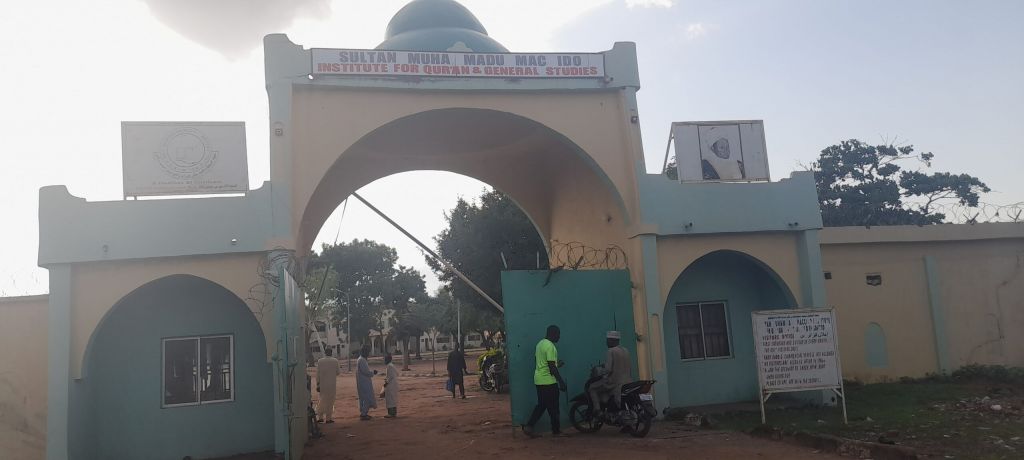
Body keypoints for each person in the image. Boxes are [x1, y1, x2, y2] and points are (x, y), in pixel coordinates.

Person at [523, 325, 568, 438]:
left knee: (542, 405)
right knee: (554, 407)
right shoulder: (550, 346)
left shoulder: (540, 344)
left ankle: (529, 427)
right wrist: (561, 382)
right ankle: (556, 431)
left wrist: (557, 365)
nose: (559, 337)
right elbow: (551, 367)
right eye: (558, 334)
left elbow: (543, 363)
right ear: (552, 334)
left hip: (539, 380)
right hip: (549, 381)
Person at [589, 331, 632, 421]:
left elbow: (608, 369)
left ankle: (597, 410)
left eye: (608, 340)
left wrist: (600, 371)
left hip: (614, 382)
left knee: (592, 388)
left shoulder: (611, 351)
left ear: (612, 340)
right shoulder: (625, 350)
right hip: (628, 381)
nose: (606, 343)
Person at [315, 347, 340, 423]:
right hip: (332, 385)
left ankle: (320, 417)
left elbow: (317, 374)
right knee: (330, 401)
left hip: (323, 385)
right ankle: (328, 418)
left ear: (325, 352)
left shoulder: (320, 361)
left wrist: (318, 384)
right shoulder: (335, 361)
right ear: (331, 352)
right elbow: (338, 373)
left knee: (322, 400)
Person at [356, 344, 378, 420]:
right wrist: (373, 373)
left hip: (364, 382)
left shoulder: (361, 359)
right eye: (367, 352)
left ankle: (364, 413)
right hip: (364, 383)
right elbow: (366, 372)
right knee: (367, 398)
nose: (368, 354)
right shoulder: (361, 360)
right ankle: (363, 414)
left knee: (365, 398)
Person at [382, 353, 399, 418]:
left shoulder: (389, 366)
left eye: (385, 359)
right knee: (393, 399)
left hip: (390, 385)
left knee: (390, 400)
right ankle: (394, 413)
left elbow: (389, 377)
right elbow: (397, 374)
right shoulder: (392, 365)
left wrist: (385, 384)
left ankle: (391, 413)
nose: (384, 361)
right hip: (394, 384)